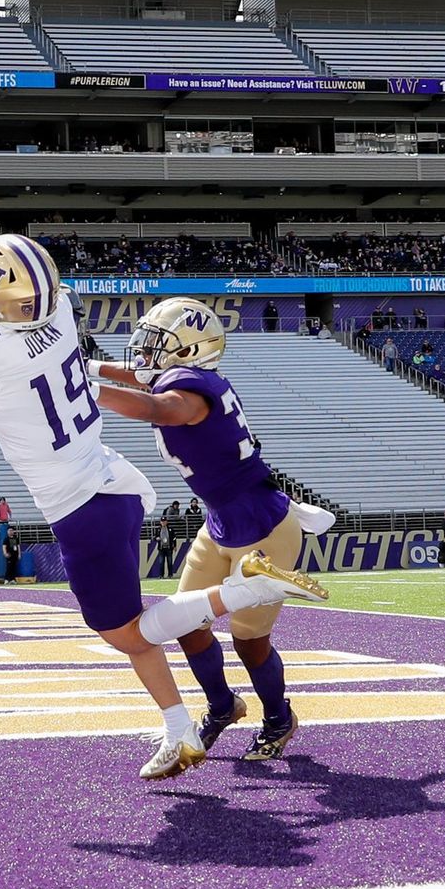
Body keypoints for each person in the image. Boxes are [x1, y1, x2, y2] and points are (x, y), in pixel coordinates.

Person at [0, 195, 322, 781]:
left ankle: (234, 600)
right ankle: (182, 725)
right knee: (137, 631)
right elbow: (14, 283)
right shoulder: (59, 314)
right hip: (116, 478)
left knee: (128, 633)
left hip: (82, 507)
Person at [93, 297, 338, 761]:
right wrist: (85, 366)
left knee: (249, 642)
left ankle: (277, 716)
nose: (145, 353)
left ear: (188, 351)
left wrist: (85, 389)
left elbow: (163, 409)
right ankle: (223, 706)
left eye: (157, 344)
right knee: (188, 626)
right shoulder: (185, 378)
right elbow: (143, 381)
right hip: (221, 521)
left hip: (264, 527)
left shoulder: (188, 392)